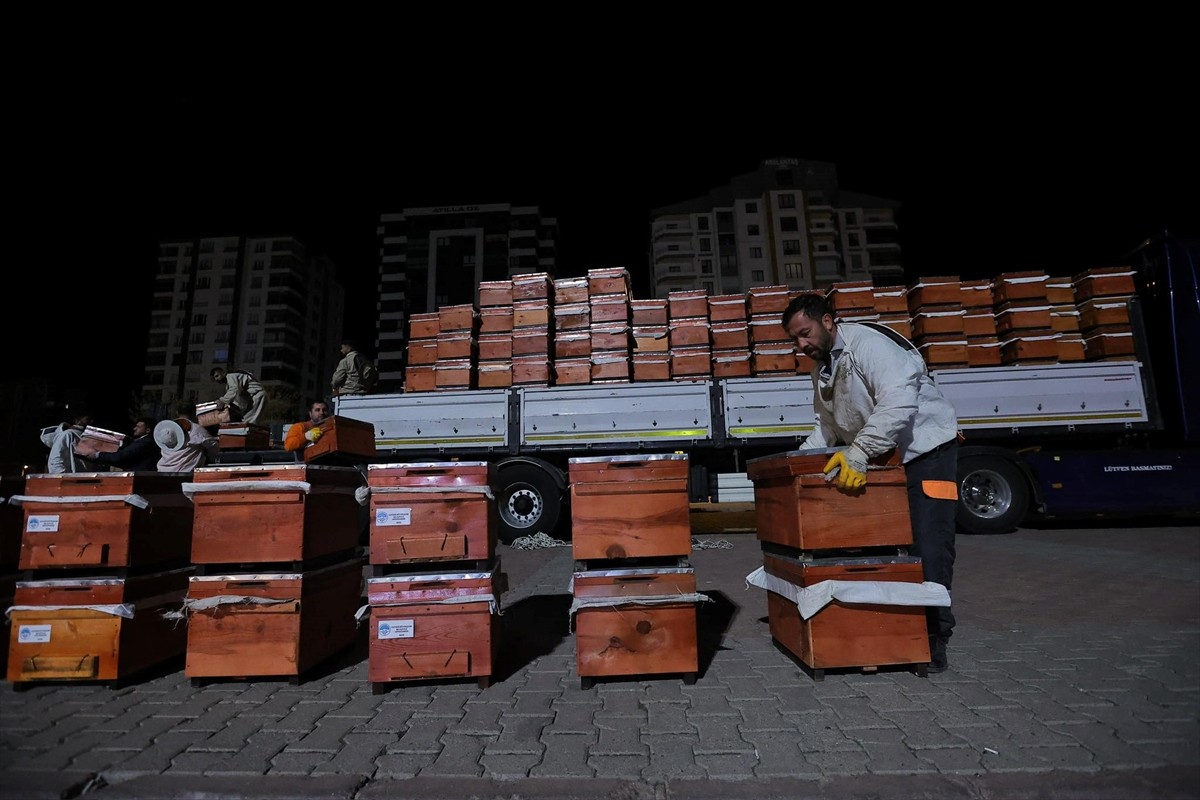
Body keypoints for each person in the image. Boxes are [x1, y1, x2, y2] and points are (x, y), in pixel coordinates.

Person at [782, 294, 960, 673]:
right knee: (885, 548)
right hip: (884, 456)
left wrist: (859, 452)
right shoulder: (823, 366)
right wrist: (795, 465)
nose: (801, 345)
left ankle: (935, 636)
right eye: (795, 339)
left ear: (828, 322)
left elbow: (898, 400)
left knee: (929, 544)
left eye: (805, 333)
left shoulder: (870, 345)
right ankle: (898, 629)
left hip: (927, 453)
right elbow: (827, 426)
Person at [156, 403, 219, 473]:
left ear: (177, 412)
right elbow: (214, 447)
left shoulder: (166, 429)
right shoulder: (197, 430)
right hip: (185, 472)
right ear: (195, 412)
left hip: (162, 470)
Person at [92, 417, 161, 472]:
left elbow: (119, 456)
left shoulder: (144, 442)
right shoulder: (149, 441)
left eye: (138, 427)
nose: (134, 429)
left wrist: (98, 454)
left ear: (148, 430)